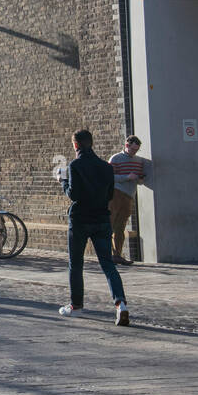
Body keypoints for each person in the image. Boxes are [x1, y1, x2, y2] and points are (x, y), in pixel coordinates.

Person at [58, 129, 130, 325]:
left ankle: (76, 306)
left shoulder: (75, 166)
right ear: (92, 143)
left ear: (76, 145)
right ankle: (120, 304)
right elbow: (108, 196)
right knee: (108, 264)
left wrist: (63, 181)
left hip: (80, 220)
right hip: (101, 220)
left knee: (76, 264)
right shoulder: (106, 167)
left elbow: (74, 194)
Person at [108, 135, 148, 266]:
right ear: (126, 146)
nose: (134, 152)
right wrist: (127, 177)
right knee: (110, 224)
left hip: (129, 195)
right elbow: (109, 177)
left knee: (121, 226)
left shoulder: (138, 161)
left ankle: (117, 255)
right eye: (132, 149)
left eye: (136, 150)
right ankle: (106, 254)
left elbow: (139, 180)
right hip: (116, 193)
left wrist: (140, 180)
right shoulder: (116, 158)